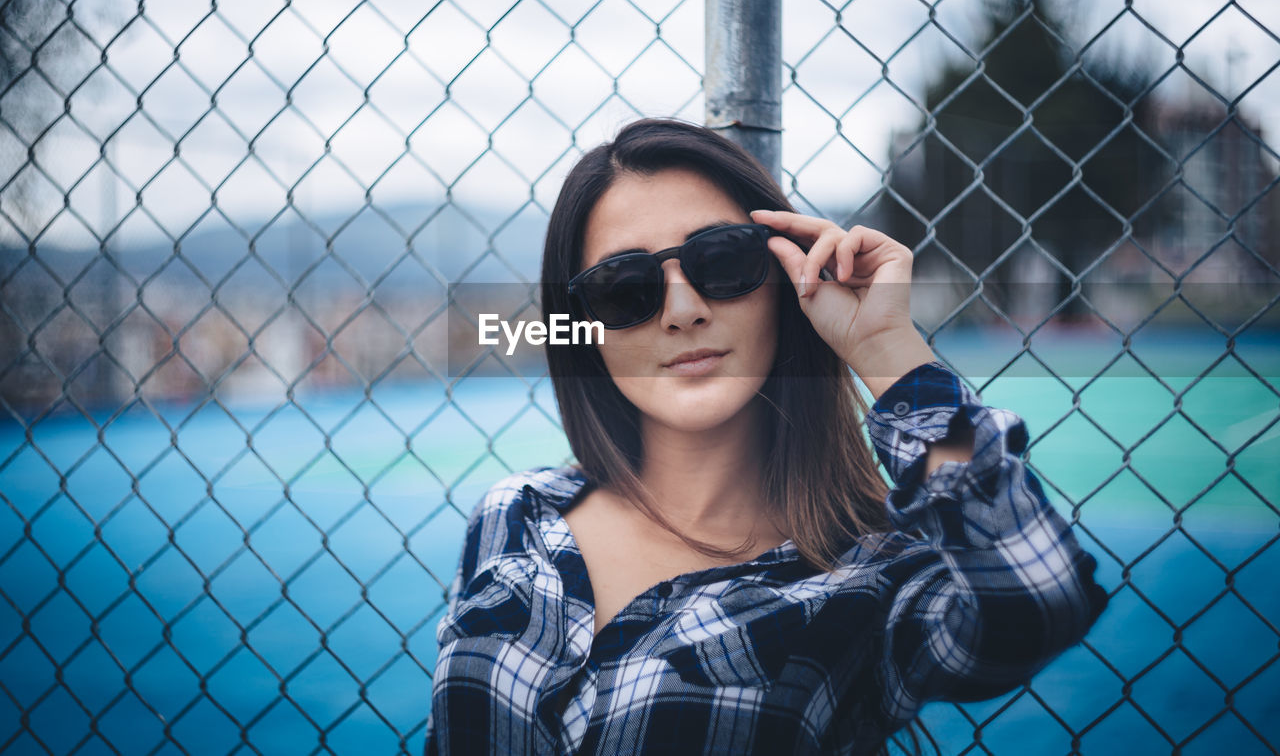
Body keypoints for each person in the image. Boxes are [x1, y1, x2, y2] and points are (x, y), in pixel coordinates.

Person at [424, 118, 1108, 755]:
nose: (684, 311)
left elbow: (1040, 596)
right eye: (623, 288)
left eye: (721, 262)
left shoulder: (868, 576)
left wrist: (889, 350)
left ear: (785, 280)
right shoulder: (516, 514)